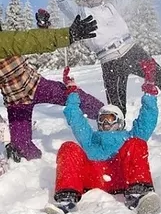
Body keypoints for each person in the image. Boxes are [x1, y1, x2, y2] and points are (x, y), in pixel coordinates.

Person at [44, 58, 160, 214]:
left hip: (122, 177)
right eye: (102, 119)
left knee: (137, 143)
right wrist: (72, 92)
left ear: (119, 122)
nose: (105, 123)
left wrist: (149, 90)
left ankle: (138, 195)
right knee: (69, 147)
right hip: (94, 177)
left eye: (110, 119)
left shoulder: (129, 136)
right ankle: (66, 200)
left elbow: (148, 118)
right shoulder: (91, 139)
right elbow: (75, 118)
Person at [0, 10, 104, 162]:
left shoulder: (5, 40)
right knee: (23, 150)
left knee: (74, 96)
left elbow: (32, 41)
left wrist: (67, 34)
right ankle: (34, 165)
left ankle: (107, 117)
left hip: (37, 86)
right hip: (16, 102)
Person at [0, 10, 97, 58]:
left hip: (29, 81)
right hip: (22, 89)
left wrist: (67, 35)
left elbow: (18, 41)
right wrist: (67, 35)